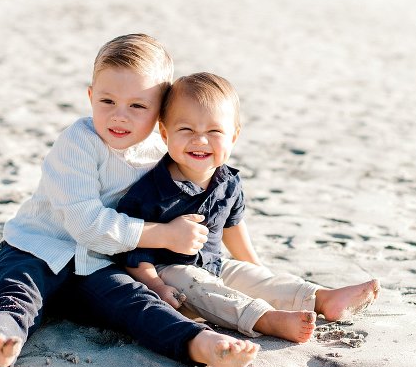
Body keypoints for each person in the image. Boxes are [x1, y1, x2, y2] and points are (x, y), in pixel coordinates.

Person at [0, 35, 259, 367]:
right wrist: (163, 236)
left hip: (100, 265)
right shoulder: (77, 143)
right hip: (38, 249)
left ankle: (210, 348)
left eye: (138, 105)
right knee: (16, 296)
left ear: (161, 114)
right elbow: (87, 224)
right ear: (91, 97)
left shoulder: (161, 152)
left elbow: (201, 197)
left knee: (139, 304)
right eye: (107, 101)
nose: (120, 115)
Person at [117, 72, 380, 343]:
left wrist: (256, 268)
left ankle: (322, 299)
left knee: (253, 278)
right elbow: (133, 251)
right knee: (198, 283)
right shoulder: (150, 191)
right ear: (164, 133)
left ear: (233, 136)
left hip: (214, 265)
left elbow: (232, 226)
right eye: (186, 130)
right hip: (169, 277)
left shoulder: (227, 181)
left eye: (214, 132)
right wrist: (157, 286)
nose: (200, 140)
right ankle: (265, 319)